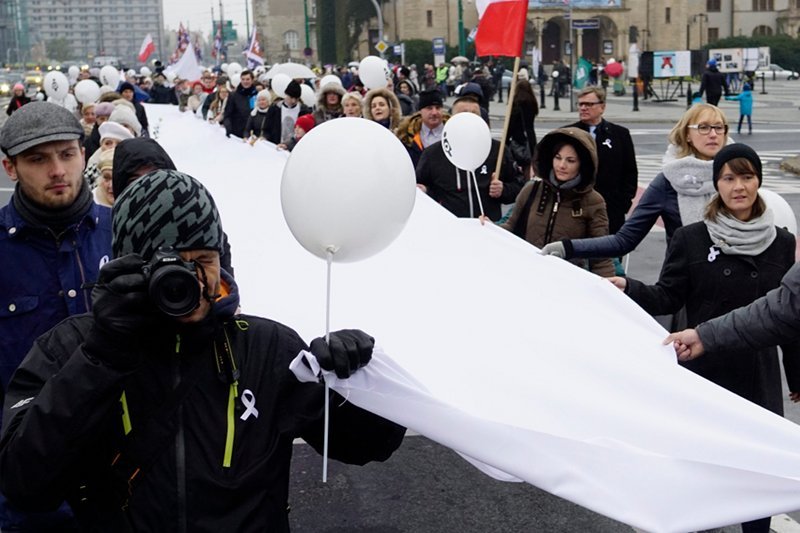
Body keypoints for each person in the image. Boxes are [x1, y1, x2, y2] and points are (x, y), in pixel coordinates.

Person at [0, 170, 405, 532]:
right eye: (171, 265)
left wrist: (359, 378)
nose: (191, 280)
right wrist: (102, 356)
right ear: (127, 265)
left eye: (204, 260)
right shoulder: (72, 346)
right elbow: (24, 484)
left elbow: (369, 444)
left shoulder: (267, 347)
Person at [614, 145, 800, 533]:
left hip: (757, 377)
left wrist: (796, 375)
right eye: (729, 178)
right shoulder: (692, 238)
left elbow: (786, 316)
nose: (738, 186)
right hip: (703, 370)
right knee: (699, 474)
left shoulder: (782, 242)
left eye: (746, 176)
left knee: (757, 476)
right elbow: (667, 297)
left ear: (759, 181)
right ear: (717, 184)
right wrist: (628, 287)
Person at [0, 101, 113, 531]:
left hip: (124, 476)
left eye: (67, 154)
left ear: (83, 154)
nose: (57, 170)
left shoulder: (122, 232)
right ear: (10, 168)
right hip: (30, 487)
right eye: (37, 159)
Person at [541, 104, 730, 263]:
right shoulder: (668, 182)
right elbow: (624, 240)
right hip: (688, 282)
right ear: (687, 134)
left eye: (719, 127)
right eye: (704, 127)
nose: (713, 134)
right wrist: (567, 247)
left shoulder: (739, 173)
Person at [501, 128, 614, 277]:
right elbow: (509, 228)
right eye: (558, 157)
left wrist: (609, 284)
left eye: (570, 160)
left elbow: (600, 256)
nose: (561, 165)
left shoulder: (593, 201)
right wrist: (486, 228)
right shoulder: (532, 190)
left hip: (568, 281)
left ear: (583, 163)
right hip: (528, 276)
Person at [416, 95, 523, 221]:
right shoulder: (433, 153)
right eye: (464, 114)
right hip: (449, 227)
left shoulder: (497, 150)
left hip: (486, 226)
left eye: (474, 114)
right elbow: (420, 190)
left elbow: (519, 187)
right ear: (452, 118)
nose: (470, 118)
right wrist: (426, 191)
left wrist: (503, 190)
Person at [566, 86, 637, 236]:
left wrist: (623, 203)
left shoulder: (620, 134)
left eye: (589, 104)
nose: (583, 108)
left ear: (602, 107)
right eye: (581, 104)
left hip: (610, 209)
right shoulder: (568, 133)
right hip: (575, 207)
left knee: (608, 248)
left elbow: (630, 171)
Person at [395, 89, 448, 168]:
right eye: (429, 108)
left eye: (438, 108)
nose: (434, 112)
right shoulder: (407, 137)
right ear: (420, 111)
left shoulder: (452, 133)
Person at [506, 79, 538, 179]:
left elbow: (511, 125)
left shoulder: (516, 104)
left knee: (515, 166)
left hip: (518, 139)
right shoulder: (532, 103)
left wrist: (506, 140)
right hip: (529, 139)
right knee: (527, 166)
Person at [264, 80, 312, 145]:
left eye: (296, 99)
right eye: (291, 97)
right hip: (276, 144)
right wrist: (265, 138)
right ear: (286, 95)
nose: (293, 101)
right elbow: (267, 128)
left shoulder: (304, 110)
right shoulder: (275, 108)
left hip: (295, 145)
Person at [223, 70, 258, 138]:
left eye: (247, 79)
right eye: (243, 79)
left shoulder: (256, 94)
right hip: (237, 132)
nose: (245, 81)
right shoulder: (233, 95)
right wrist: (228, 128)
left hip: (253, 132)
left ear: (252, 80)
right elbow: (227, 114)